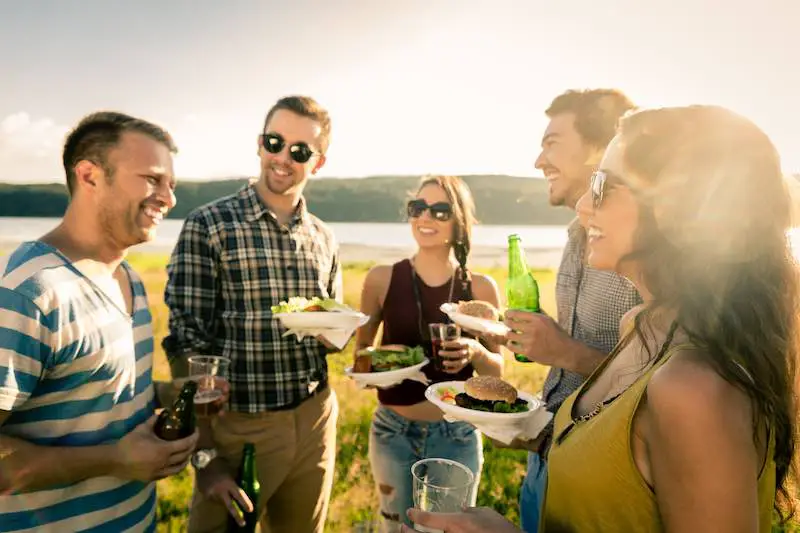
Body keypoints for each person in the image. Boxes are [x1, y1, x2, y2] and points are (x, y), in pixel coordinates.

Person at [405, 105, 799, 532]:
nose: (582, 205)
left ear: (680, 208)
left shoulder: (695, 389)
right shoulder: (641, 325)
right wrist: (531, 433)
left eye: (603, 185)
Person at [0, 111, 209, 531]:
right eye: (152, 179)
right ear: (90, 175)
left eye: (171, 184)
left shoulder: (127, 277)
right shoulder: (30, 293)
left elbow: (99, 392)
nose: (168, 199)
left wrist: (170, 393)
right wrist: (116, 459)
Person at [163, 95, 344, 533]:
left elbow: (336, 329)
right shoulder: (209, 224)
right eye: (275, 142)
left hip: (317, 416)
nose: (283, 158)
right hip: (240, 427)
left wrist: (337, 333)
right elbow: (186, 345)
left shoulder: (324, 237)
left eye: (299, 151)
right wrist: (204, 458)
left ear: (316, 163)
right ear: (260, 144)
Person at [508, 89, 641, 532]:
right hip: (546, 455)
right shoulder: (574, 236)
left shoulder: (640, 254)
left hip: (601, 477)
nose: (537, 161)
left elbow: (658, 379)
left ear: (600, 152)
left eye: (551, 144)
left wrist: (563, 351)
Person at [355, 175, 504, 532]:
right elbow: (360, 357)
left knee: (449, 529)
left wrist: (475, 351)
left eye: (440, 211)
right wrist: (385, 357)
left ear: (459, 222)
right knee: (396, 527)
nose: (426, 218)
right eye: (418, 208)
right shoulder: (381, 279)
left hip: (457, 433)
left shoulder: (481, 288)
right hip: (392, 431)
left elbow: (497, 375)